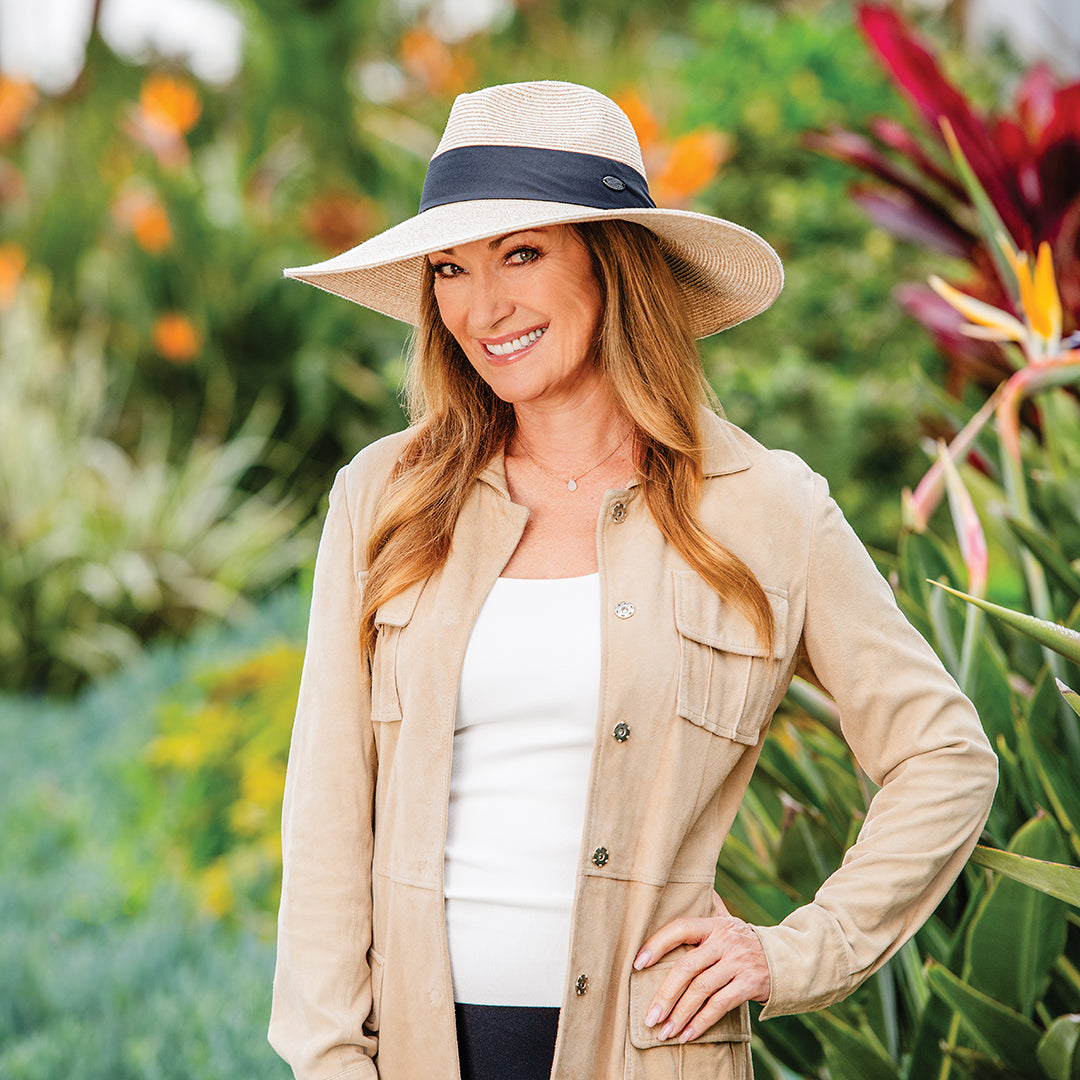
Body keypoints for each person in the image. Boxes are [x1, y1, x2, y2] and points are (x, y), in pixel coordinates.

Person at [268, 81, 997, 1080]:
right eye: (451, 268)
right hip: (416, 1054)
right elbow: (325, 818)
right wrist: (330, 1062)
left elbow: (944, 756)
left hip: (655, 1054)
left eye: (522, 253)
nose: (483, 308)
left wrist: (792, 952)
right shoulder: (385, 497)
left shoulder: (766, 507)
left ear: (614, 263)